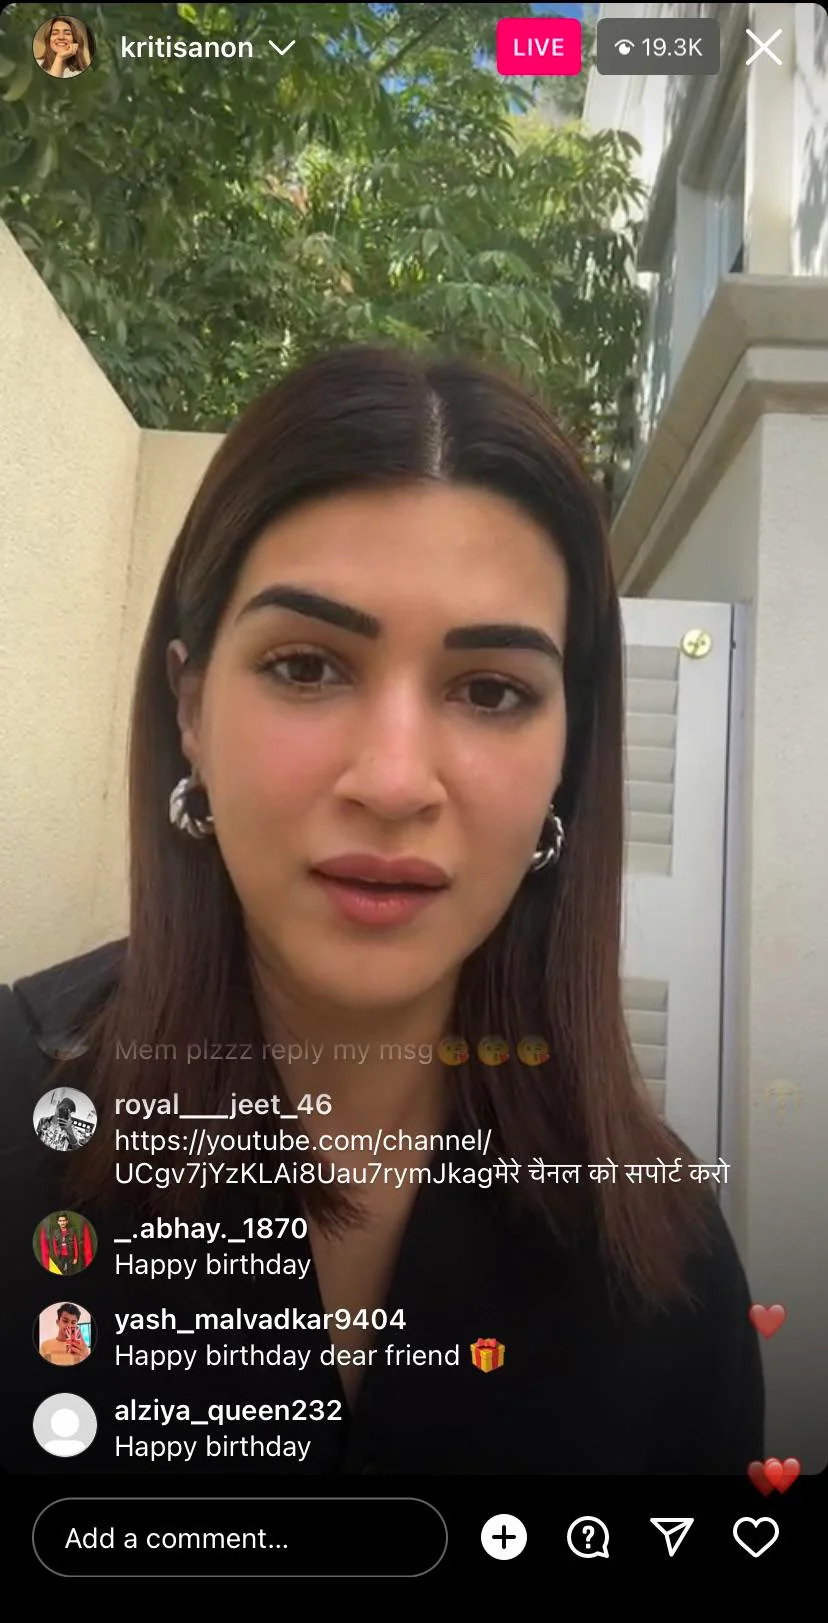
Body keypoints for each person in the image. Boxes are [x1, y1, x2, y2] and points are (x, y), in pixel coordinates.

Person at [0, 344, 764, 1474]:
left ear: (570, 759)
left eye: (491, 690)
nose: (396, 781)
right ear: (191, 707)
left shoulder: (669, 1260)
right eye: (308, 667)